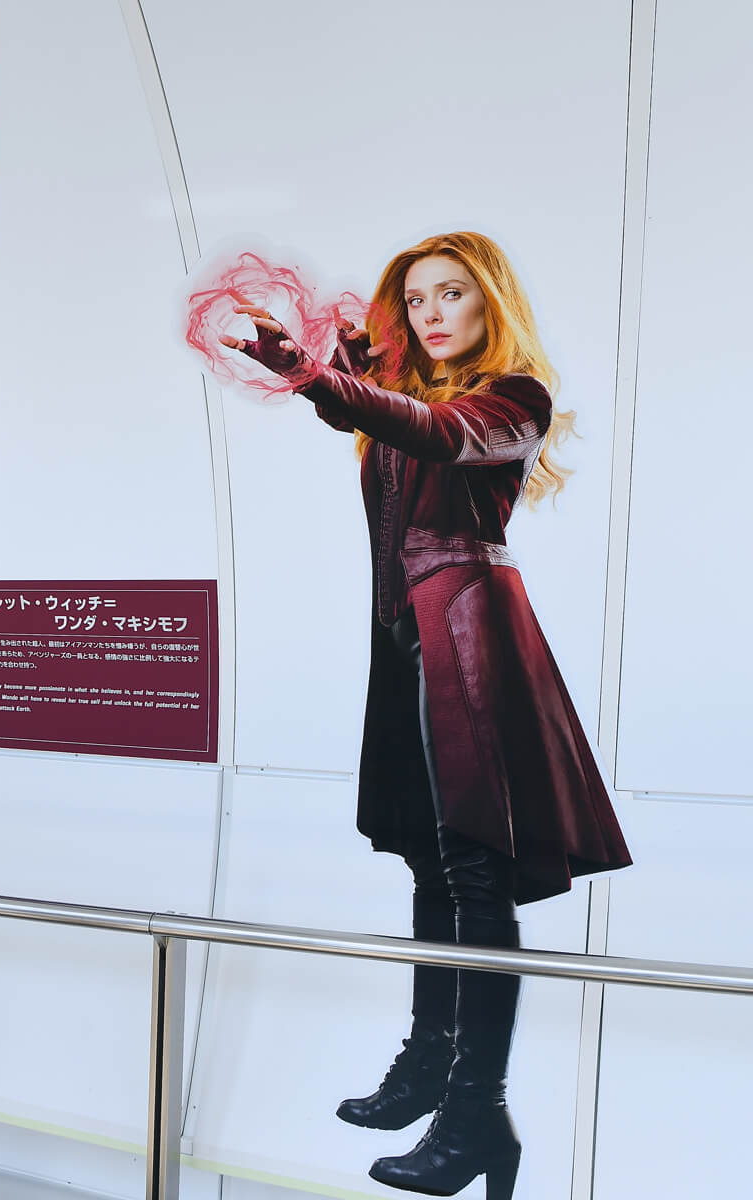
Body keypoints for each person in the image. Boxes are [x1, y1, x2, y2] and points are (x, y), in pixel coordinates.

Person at [220, 231, 631, 1199]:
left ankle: (477, 1110)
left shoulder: (515, 398)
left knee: (475, 872)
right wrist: (336, 374)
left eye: (452, 293)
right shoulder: (412, 400)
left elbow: (433, 433)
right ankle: (430, 1064)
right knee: (429, 862)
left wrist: (317, 377)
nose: (432, 313)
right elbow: (385, 419)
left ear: (490, 300)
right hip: (404, 636)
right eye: (416, 299)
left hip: (472, 635)